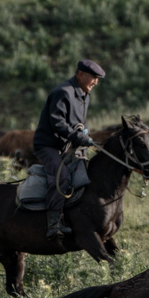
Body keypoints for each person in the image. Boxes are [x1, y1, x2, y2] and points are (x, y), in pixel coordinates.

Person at [34, 59, 104, 238]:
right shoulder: (63, 92)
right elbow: (57, 122)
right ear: (80, 74)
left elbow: (80, 123)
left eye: (97, 79)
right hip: (48, 146)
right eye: (93, 78)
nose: (95, 82)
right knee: (61, 177)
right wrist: (78, 137)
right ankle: (53, 224)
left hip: (69, 145)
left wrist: (85, 136)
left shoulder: (84, 94)